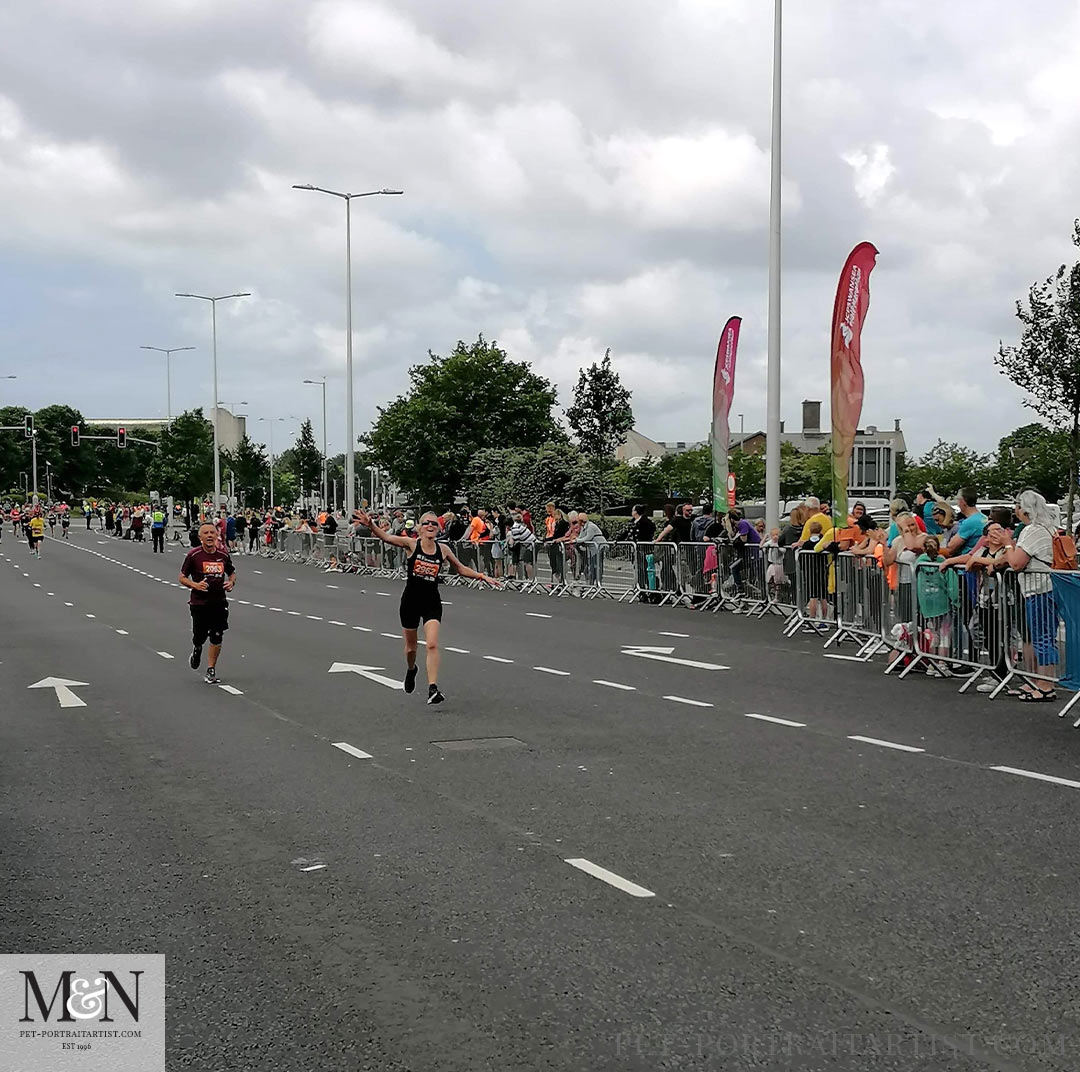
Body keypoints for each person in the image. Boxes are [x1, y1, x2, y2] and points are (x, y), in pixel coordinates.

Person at [353, 508, 499, 705]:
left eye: (434, 524)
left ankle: (433, 688)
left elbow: (460, 568)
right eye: (426, 523)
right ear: (420, 528)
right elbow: (386, 538)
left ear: (438, 529)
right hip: (410, 601)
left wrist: (482, 576)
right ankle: (412, 669)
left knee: (431, 644)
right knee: (411, 648)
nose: (430, 526)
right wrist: (370, 524)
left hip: (431, 601)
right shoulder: (411, 545)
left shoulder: (443, 550)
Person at [1003, 490, 1060, 701]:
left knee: (1042, 637)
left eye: (1017, 506)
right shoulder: (1049, 528)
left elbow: (1016, 562)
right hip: (1047, 588)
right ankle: (1040, 681)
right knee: (1042, 636)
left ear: (1024, 508)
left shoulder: (1032, 530)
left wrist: (1008, 543)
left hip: (1039, 589)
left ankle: (1046, 685)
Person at [179, 522, 237, 685]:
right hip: (199, 603)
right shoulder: (194, 555)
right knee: (199, 636)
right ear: (200, 537)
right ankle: (197, 649)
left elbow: (232, 573)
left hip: (219, 602)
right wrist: (195, 585)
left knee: (217, 635)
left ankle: (211, 669)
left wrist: (231, 583)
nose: (210, 535)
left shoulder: (223, 555)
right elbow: (182, 577)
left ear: (217, 535)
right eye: (206, 533)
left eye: (212, 532)